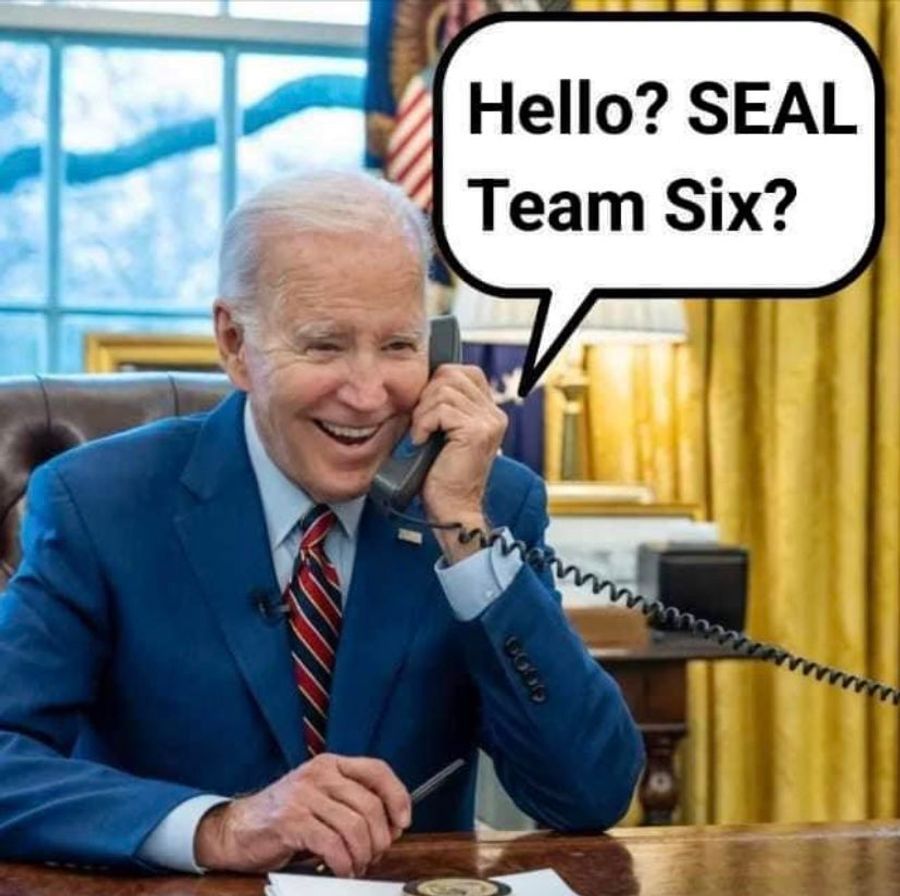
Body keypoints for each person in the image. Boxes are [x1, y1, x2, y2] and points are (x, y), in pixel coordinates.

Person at [0, 171, 643, 876]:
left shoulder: (487, 503)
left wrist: (465, 535)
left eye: (398, 346)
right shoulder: (100, 504)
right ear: (235, 343)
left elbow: (590, 792)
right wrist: (217, 827)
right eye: (325, 346)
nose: (368, 396)